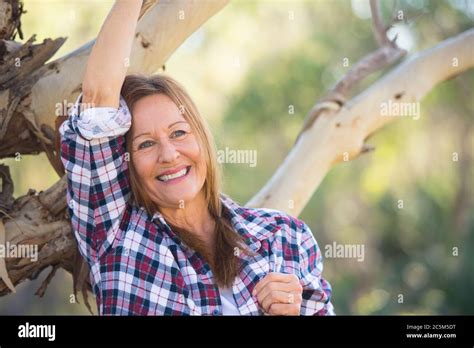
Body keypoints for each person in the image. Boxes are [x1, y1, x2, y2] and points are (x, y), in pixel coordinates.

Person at [59, 0, 334, 316]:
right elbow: (99, 100)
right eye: (145, 144)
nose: (169, 155)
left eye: (178, 133)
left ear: (202, 139)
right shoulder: (114, 233)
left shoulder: (284, 237)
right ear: (126, 162)